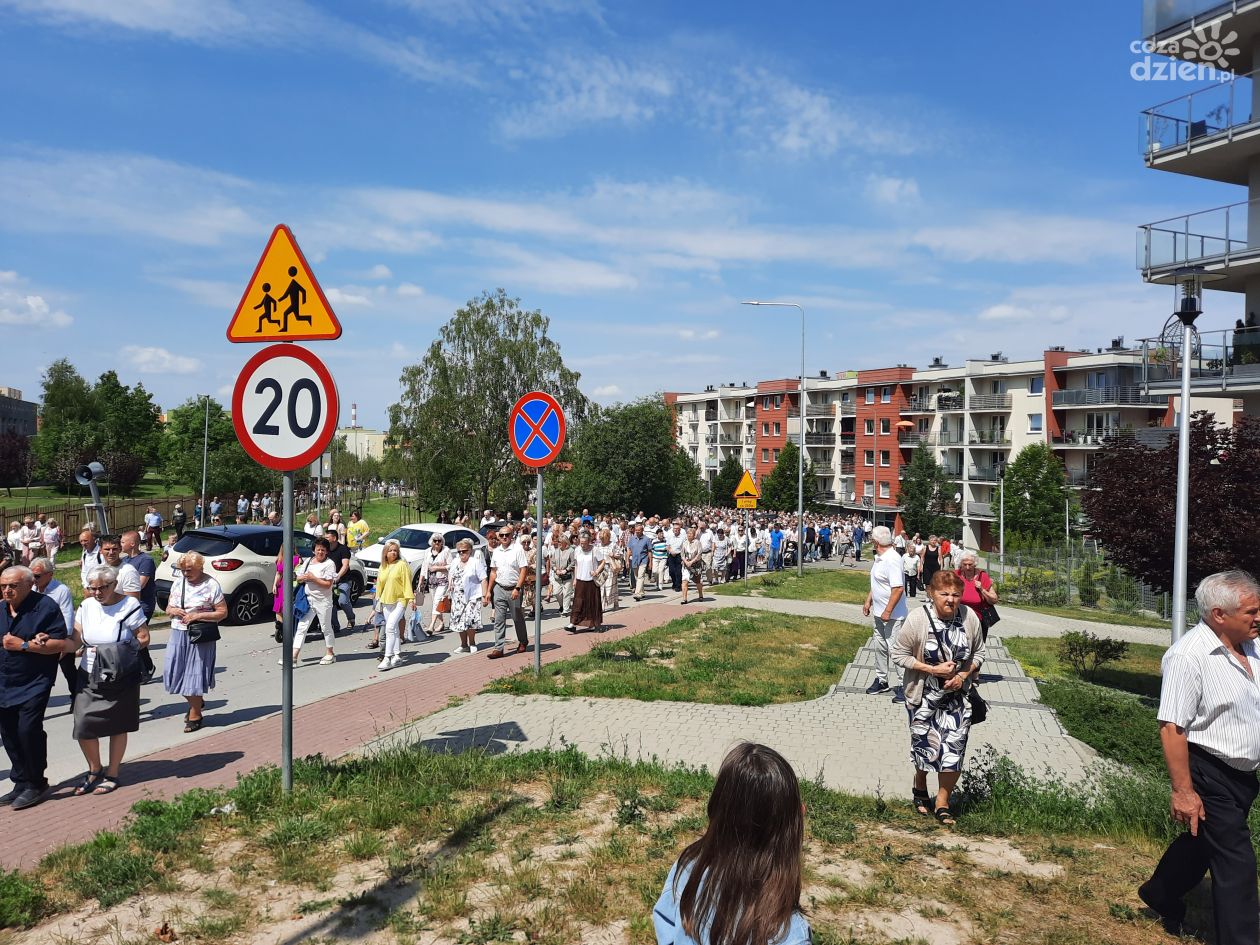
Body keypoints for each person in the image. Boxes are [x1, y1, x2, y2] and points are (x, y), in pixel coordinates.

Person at [1139, 570, 1260, 943]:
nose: (1259, 618)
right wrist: (1183, 791)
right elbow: (1172, 728)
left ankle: (1160, 892)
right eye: (1251, 612)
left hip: (1243, 775)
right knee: (1237, 860)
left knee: (1203, 842)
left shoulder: (1253, 646)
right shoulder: (1188, 656)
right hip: (1208, 769)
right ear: (1219, 614)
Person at [652, 742, 811, 945]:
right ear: (792, 828)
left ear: (717, 810)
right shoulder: (789, 934)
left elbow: (665, 923)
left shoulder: (689, 867)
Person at [891, 570, 986, 826]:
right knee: (925, 746)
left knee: (954, 749)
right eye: (944, 594)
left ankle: (943, 803)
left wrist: (963, 675)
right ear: (931, 593)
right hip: (923, 696)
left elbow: (979, 652)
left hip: (957, 697)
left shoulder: (969, 617)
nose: (950, 599)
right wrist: (931, 670)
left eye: (956, 595)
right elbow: (898, 654)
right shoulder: (918, 619)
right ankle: (920, 782)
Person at [66, 564, 150, 796]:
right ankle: (95, 768)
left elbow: (144, 637)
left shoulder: (129, 604)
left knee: (118, 724)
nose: (97, 593)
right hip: (89, 673)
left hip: (119, 673)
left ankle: (112, 773)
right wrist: (54, 646)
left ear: (114, 584)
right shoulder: (86, 605)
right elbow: (75, 640)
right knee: (83, 724)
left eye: (103, 587)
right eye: (92, 588)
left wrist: (114, 652)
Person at [0, 565, 69, 809]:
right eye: (3, 586)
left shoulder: (46, 607)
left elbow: (60, 644)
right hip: (4, 682)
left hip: (34, 681)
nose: (7, 590)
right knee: (8, 733)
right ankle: (20, 781)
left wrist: (24, 645)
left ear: (29, 585)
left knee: (28, 730)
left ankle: (36, 783)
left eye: (13, 586)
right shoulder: (1, 608)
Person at [163, 551, 226, 733]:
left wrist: (198, 615)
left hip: (200, 636)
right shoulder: (178, 582)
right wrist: (173, 611)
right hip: (178, 632)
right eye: (183, 570)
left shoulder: (211, 585)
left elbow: (222, 612)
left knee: (194, 676)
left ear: (200, 567)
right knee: (172, 673)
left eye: (189, 570)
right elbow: (168, 607)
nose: (185, 573)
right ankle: (197, 701)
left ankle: (195, 713)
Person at [863, 526, 909, 702]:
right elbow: (877, 583)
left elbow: (898, 588)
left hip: (893, 616)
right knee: (880, 647)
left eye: (871, 540)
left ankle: (905, 685)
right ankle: (882, 680)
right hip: (879, 613)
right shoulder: (879, 558)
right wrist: (869, 600)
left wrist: (888, 610)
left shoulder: (892, 559)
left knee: (895, 650)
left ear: (875, 542)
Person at [29, 557, 76, 698]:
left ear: (50, 574)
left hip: (58, 636)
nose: (34, 579)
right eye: (31, 575)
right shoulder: (31, 588)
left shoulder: (61, 590)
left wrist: (65, 642)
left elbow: (67, 616)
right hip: (37, 636)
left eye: (37, 576)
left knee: (68, 669)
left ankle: (76, 696)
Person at [289, 537, 337, 666]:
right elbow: (298, 578)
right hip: (308, 600)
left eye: (323, 550)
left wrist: (313, 578)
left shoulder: (329, 564)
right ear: (313, 550)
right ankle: (293, 656)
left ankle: (330, 653)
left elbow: (328, 584)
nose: (320, 552)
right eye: (318, 549)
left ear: (326, 551)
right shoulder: (308, 561)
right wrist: (303, 578)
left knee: (325, 627)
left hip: (323, 601)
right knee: (302, 627)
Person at [118, 531, 159, 682]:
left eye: (123, 542)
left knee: (136, 637)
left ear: (132, 544)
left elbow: (140, 584)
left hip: (143, 605)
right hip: (125, 605)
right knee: (129, 638)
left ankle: (146, 668)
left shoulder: (145, 560)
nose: (120, 545)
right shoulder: (125, 561)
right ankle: (142, 667)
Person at [486, 523, 529, 658]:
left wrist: (517, 588)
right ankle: (498, 648)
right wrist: (488, 591)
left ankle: (523, 641)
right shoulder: (497, 551)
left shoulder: (517, 550)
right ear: (499, 537)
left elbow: (523, 569)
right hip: (499, 588)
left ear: (511, 536)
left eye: (507, 535)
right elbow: (493, 572)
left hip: (514, 588)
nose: (504, 537)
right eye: (502, 535)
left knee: (517, 618)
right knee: (499, 619)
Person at [373, 539, 414, 670]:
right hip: (386, 601)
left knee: (389, 627)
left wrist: (411, 599)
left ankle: (387, 657)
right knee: (394, 628)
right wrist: (377, 600)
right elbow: (379, 585)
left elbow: (407, 582)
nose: (393, 553)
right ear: (385, 553)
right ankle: (397, 655)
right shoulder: (383, 566)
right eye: (390, 550)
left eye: (395, 550)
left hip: (400, 600)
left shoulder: (402, 565)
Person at [449, 537, 487, 654]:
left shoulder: (475, 562)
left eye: (464, 551)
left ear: (470, 550)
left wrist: (485, 595)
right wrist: (450, 584)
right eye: (459, 551)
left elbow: (483, 579)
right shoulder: (455, 562)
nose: (462, 553)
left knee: (470, 620)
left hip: (472, 596)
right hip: (457, 597)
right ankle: (463, 644)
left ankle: (472, 643)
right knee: (459, 620)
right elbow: (451, 574)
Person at [568, 530, 604, 632]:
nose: (582, 545)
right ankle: (573, 623)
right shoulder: (577, 550)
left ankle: (592, 623)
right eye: (581, 543)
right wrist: (575, 579)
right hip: (580, 580)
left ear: (589, 541)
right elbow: (576, 565)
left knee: (591, 603)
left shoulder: (595, 550)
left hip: (591, 581)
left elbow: (603, 562)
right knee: (578, 602)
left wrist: (596, 571)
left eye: (584, 543)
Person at [957, 552, 999, 640]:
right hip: (958, 619)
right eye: (964, 564)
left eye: (970, 564)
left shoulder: (982, 576)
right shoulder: (956, 575)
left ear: (975, 564)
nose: (967, 567)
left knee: (977, 645)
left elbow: (994, 599)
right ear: (961, 563)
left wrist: (982, 589)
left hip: (978, 619)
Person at [325, 530, 356, 635]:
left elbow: (345, 565)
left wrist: (338, 576)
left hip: (344, 580)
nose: (326, 539)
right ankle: (335, 626)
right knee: (331, 603)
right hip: (329, 581)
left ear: (334, 538)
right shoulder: (325, 549)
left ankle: (351, 618)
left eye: (327, 537)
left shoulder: (343, 549)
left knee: (342, 601)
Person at [421, 533, 452, 636]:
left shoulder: (446, 551)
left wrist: (437, 568)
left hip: (443, 580)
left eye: (439, 541)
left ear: (442, 542)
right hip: (431, 581)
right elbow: (424, 567)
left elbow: (451, 566)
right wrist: (420, 581)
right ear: (432, 542)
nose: (437, 542)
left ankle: (431, 625)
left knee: (437, 601)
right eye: (435, 541)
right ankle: (441, 623)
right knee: (436, 602)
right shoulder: (427, 551)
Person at [551, 531, 576, 619]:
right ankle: (562, 605)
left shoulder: (571, 551)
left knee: (566, 593)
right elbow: (552, 562)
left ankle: (566, 610)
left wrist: (566, 570)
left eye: (560, 542)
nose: (559, 544)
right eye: (558, 542)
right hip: (557, 576)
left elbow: (573, 562)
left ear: (565, 542)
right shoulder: (556, 551)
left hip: (567, 575)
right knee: (556, 593)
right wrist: (555, 569)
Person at [595, 527, 620, 611]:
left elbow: (620, 554)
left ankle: (616, 602)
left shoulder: (613, 544)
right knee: (601, 586)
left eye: (604, 539)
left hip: (611, 568)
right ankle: (602, 606)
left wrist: (613, 555)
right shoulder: (598, 545)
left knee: (611, 587)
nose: (602, 540)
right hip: (601, 568)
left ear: (608, 537)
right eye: (601, 539)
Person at [627, 522, 652, 602]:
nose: (637, 531)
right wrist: (627, 560)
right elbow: (629, 550)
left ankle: (637, 594)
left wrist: (650, 562)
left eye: (639, 530)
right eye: (636, 530)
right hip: (634, 560)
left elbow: (649, 551)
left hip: (643, 560)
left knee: (640, 576)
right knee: (637, 577)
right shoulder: (632, 539)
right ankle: (642, 592)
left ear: (642, 530)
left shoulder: (646, 539)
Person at [680, 527, 704, 606]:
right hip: (686, 565)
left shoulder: (697, 542)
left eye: (691, 534)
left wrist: (692, 562)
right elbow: (682, 554)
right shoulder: (684, 543)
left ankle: (700, 594)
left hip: (696, 565)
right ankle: (684, 599)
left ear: (694, 535)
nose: (689, 535)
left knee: (698, 582)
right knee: (684, 581)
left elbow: (699, 554)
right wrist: (686, 562)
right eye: (688, 533)